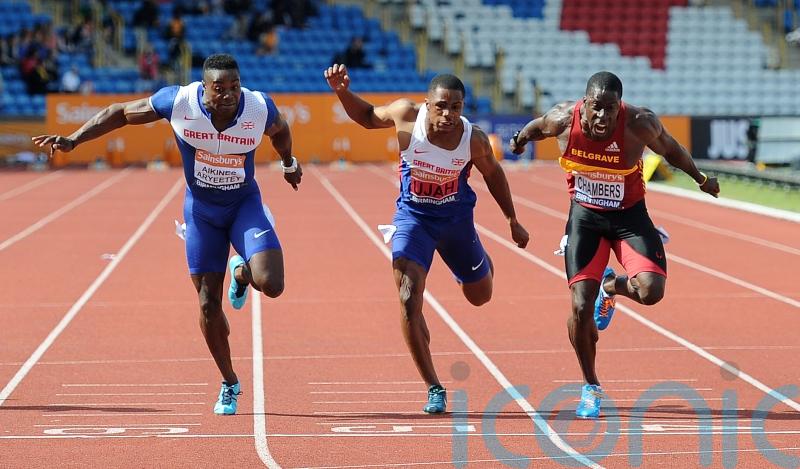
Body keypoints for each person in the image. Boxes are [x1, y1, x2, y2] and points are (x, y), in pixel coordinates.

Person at [32, 53, 303, 415]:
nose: (228, 95)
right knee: (208, 302)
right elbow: (121, 112)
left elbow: (281, 130)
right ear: (204, 88)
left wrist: (288, 163)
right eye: (219, 88)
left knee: (272, 284)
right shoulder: (179, 102)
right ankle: (229, 382)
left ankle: (241, 271)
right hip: (202, 212)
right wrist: (74, 140)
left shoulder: (257, 107)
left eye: (234, 87)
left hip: (243, 205)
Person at [509, 71, 720, 419]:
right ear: (585, 103)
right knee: (579, 307)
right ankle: (590, 386)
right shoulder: (563, 119)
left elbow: (671, 149)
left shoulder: (640, 123)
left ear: (620, 106)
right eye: (596, 108)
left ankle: (612, 286)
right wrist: (518, 139)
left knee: (652, 291)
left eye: (610, 108)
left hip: (629, 218)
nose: (603, 117)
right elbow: (535, 127)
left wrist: (700, 179)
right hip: (585, 219)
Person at [324, 64, 530, 413]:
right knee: (408, 297)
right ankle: (434, 386)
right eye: (441, 106)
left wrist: (512, 220)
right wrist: (343, 92)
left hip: (456, 221)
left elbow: (494, 176)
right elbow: (368, 117)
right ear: (427, 104)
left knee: (480, 296)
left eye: (456, 107)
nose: (448, 114)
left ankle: (475, 262)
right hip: (413, 219)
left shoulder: (473, 139)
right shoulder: (406, 116)